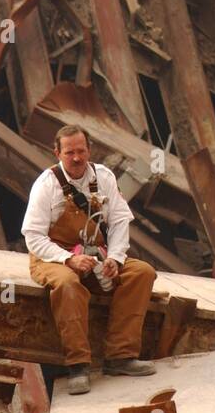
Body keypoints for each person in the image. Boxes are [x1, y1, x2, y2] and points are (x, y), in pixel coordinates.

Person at [21, 124, 157, 394]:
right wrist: (67, 259)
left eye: (81, 151)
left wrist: (116, 259)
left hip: (96, 253)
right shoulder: (46, 184)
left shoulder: (104, 177)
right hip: (52, 257)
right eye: (69, 152)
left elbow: (119, 222)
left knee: (142, 273)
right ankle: (78, 366)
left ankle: (121, 356)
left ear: (89, 150)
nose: (76, 158)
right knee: (69, 285)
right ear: (57, 152)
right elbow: (33, 236)